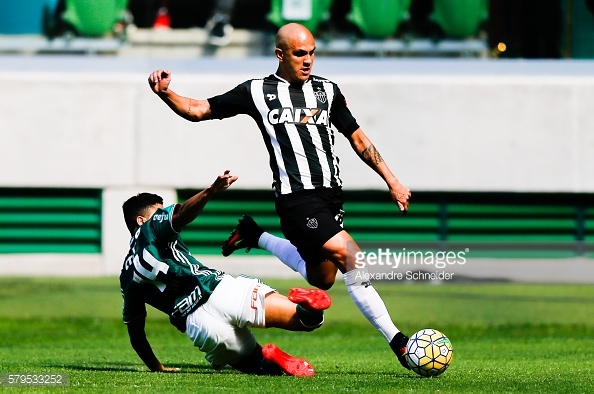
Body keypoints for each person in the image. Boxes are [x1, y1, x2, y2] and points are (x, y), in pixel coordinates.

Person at [146, 22, 412, 369]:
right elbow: (199, 109)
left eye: (313, 52)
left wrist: (392, 180)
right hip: (296, 200)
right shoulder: (257, 91)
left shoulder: (327, 92)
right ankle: (399, 342)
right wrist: (166, 92)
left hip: (330, 197)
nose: (308, 60)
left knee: (323, 279)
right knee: (353, 258)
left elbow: (358, 139)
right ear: (280, 54)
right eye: (300, 53)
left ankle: (256, 235)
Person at [120, 170, 332, 376]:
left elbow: (136, 334)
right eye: (158, 211)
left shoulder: (126, 276)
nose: (162, 213)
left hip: (198, 324)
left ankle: (270, 360)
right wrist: (211, 190)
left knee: (255, 364)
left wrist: (157, 367)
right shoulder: (150, 229)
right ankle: (309, 306)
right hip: (219, 289)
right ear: (141, 220)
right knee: (308, 320)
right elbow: (182, 213)